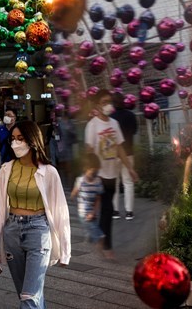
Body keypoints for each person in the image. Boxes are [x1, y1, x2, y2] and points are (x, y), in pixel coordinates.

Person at [0, 120, 70, 309]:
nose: (15, 143)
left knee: (29, 296)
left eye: (21, 139)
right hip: (12, 233)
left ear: (32, 140)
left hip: (38, 232)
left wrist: (65, 251)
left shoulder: (49, 172)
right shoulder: (6, 169)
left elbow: (60, 212)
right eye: (13, 139)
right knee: (29, 297)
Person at [84, 89, 138, 260]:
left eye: (110, 101)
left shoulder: (114, 124)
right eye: (104, 101)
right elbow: (89, 150)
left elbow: (120, 148)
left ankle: (100, 238)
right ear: (97, 105)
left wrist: (130, 168)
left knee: (106, 210)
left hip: (112, 172)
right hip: (99, 174)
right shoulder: (92, 125)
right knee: (107, 208)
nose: (108, 105)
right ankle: (107, 245)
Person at [110, 92, 138, 220]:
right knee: (128, 182)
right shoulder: (131, 115)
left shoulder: (110, 118)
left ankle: (115, 211)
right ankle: (129, 212)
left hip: (113, 154)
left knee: (114, 183)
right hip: (128, 152)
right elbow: (134, 131)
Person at [70, 153, 104, 248]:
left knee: (92, 228)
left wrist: (93, 212)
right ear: (86, 169)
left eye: (96, 170)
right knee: (96, 231)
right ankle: (101, 246)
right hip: (83, 212)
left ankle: (91, 238)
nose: (94, 173)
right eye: (92, 170)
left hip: (94, 212)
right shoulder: (80, 180)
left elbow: (98, 199)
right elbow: (74, 193)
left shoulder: (98, 181)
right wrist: (74, 197)